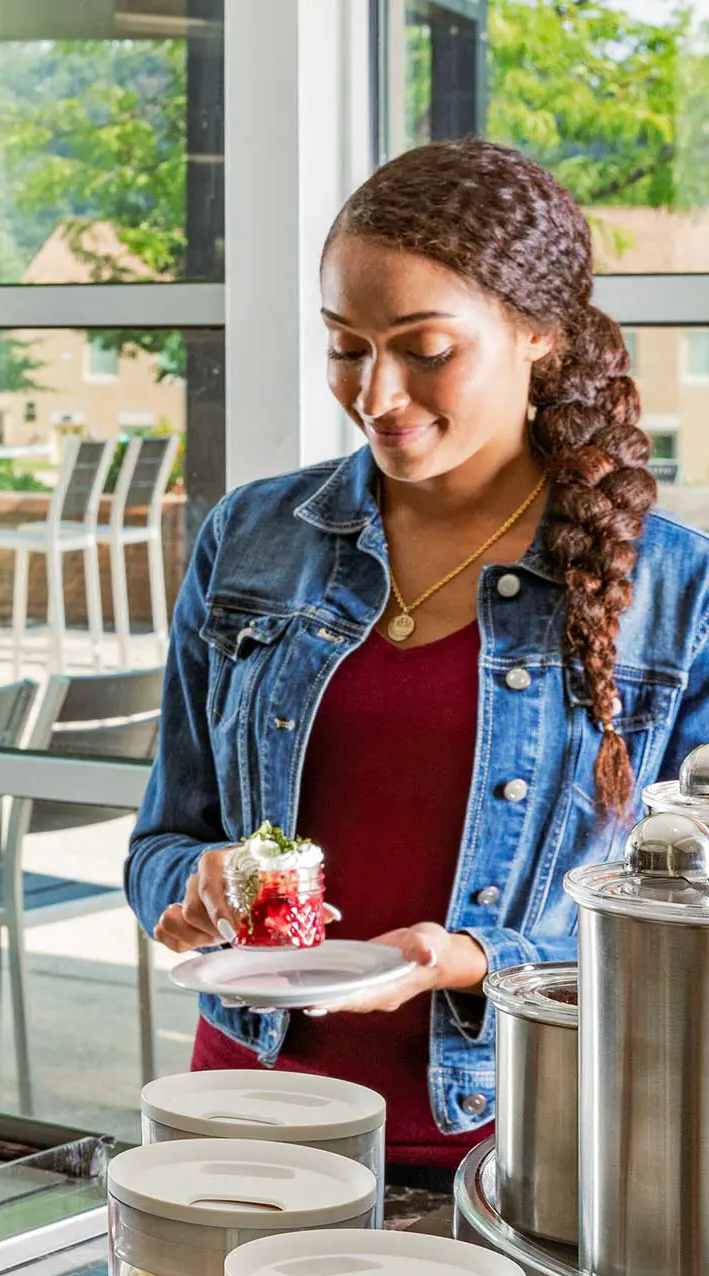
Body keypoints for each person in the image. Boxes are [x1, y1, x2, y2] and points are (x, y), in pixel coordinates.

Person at [124, 137, 709, 1188]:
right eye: (345, 346)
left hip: (518, 1151)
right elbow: (163, 840)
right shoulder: (250, 539)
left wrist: (484, 960)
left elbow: (687, 929)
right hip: (243, 1119)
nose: (377, 393)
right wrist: (195, 883)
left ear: (539, 334)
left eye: (425, 348)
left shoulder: (676, 591)